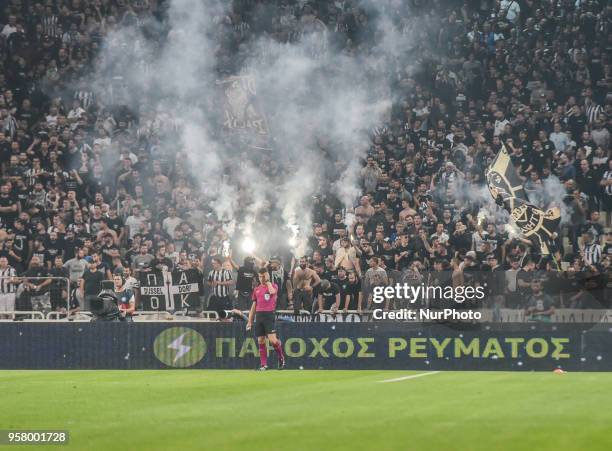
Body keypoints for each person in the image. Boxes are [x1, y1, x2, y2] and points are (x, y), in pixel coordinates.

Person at [247, 268, 285, 370]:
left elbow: (272, 292)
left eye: (264, 276)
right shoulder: (256, 289)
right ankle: (264, 365)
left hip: (269, 315)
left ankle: (281, 358)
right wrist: (250, 321)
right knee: (260, 340)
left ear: (267, 276)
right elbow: (253, 306)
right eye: (260, 276)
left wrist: (268, 282)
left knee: (273, 341)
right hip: (259, 316)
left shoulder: (273, 286)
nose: (262, 278)